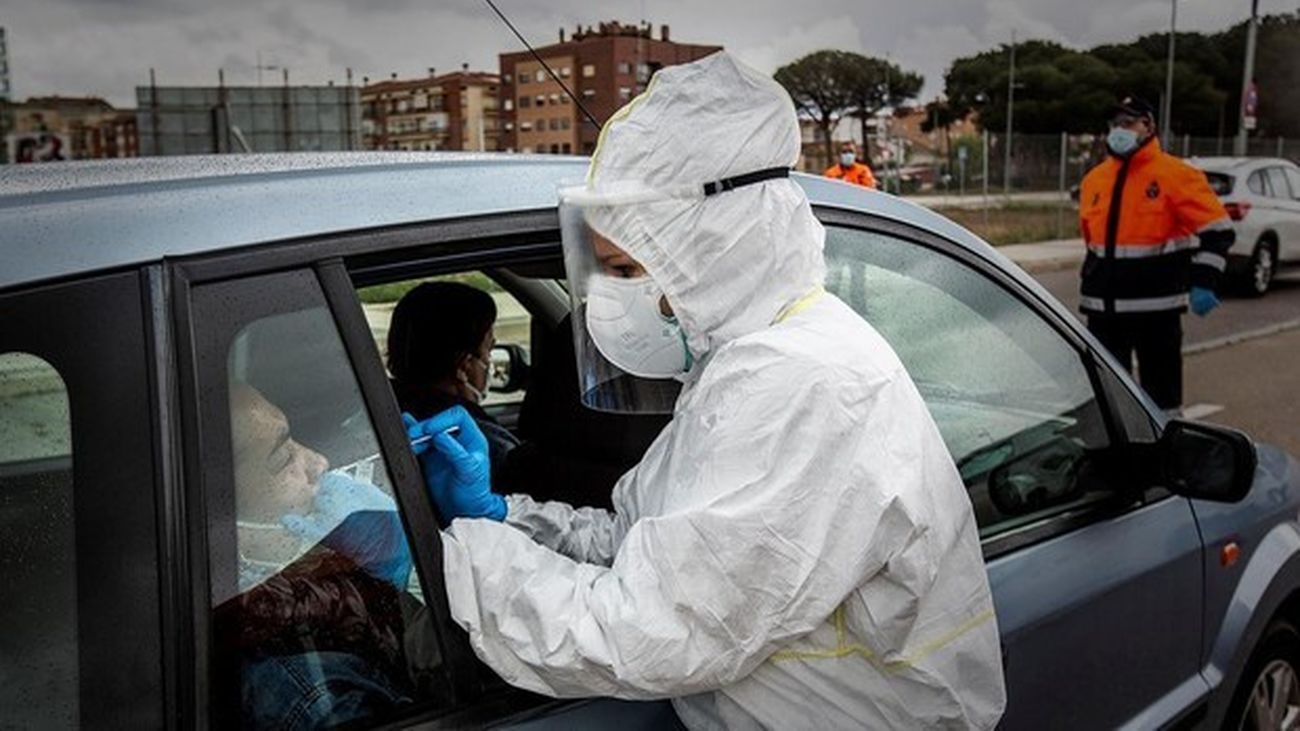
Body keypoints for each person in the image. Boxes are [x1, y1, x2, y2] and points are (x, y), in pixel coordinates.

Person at [408, 51, 1005, 729]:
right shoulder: (747, 361)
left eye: (630, 267)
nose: (616, 297)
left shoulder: (805, 386)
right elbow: (648, 542)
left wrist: (446, 561)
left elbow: (653, 628)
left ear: (711, 243)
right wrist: (501, 516)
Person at [1077, 95, 1234, 412]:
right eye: (1114, 124)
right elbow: (1092, 244)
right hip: (1103, 313)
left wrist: (1204, 282)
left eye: (1127, 123)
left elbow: (1218, 232)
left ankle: (1166, 456)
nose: (1118, 130)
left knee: (1162, 401)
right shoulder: (1094, 180)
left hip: (1156, 313)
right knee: (1108, 402)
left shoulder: (1176, 175)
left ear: (1148, 126)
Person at [387, 281, 519, 474]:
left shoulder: (385, 412)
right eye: (488, 351)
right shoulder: (485, 445)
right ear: (464, 366)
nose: (490, 362)